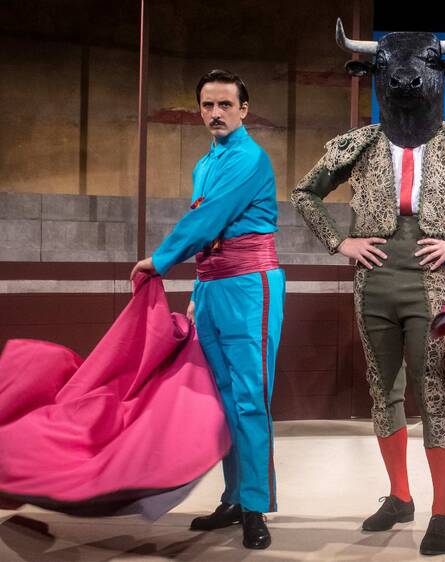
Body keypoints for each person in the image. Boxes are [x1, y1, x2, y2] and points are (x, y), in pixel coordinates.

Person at [292, 20, 445, 556]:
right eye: (390, 68)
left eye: (422, 65)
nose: (404, 77)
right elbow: (305, 193)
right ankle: (400, 496)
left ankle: (443, 510)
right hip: (372, 281)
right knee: (383, 389)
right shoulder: (359, 143)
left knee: (433, 388)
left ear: (441, 74)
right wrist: (339, 242)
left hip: (428, 281)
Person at [130, 69, 284, 550]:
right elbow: (207, 227)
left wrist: (160, 260)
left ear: (243, 110)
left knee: (250, 398)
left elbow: (208, 218)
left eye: (225, 105)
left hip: (249, 287)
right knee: (223, 400)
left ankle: (255, 506)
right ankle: (234, 498)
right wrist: (199, 288)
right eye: (207, 105)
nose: (215, 113)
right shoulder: (204, 164)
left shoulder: (249, 158)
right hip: (214, 287)